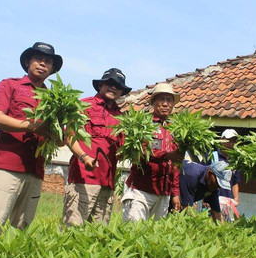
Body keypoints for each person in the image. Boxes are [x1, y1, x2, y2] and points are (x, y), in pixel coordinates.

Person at [0, 42, 63, 237]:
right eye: (38, 59)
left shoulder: (54, 98)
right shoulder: (10, 85)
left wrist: (61, 129)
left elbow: (59, 140)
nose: (43, 64)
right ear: (28, 62)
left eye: (48, 62)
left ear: (52, 69)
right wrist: (32, 126)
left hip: (35, 169)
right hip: (9, 165)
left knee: (21, 227)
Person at [62, 68, 132, 226]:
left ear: (121, 92)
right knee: (73, 229)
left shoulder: (121, 117)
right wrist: (83, 156)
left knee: (98, 233)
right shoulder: (84, 105)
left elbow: (121, 150)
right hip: (84, 179)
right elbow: (70, 136)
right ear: (100, 85)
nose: (113, 87)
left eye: (118, 86)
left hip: (107, 183)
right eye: (110, 83)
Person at [122, 83, 184, 221]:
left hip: (164, 193)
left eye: (169, 100)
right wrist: (167, 155)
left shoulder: (174, 130)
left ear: (173, 105)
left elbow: (175, 165)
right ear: (153, 102)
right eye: (161, 99)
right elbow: (141, 150)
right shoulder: (144, 124)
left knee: (154, 236)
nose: (165, 104)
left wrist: (175, 193)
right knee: (132, 232)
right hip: (141, 190)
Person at [214, 129, 242, 223]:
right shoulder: (213, 156)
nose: (231, 143)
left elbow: (235, 182)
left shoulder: (235, 160)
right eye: (228, 140)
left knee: (227, 228)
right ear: (221, 140)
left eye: (233, 141)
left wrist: (236, 199)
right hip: (214, 199)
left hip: (228, 200)